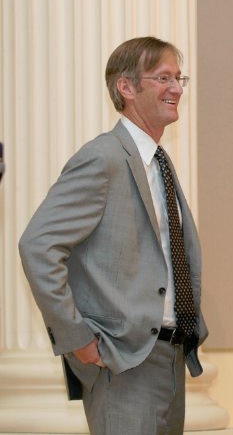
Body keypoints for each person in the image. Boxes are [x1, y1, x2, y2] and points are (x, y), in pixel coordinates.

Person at [19, 36, 207, 434]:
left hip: (170, 357)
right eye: (162, 78)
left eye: (179, 78)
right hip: (124, 362)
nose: (175, 88)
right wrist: (78, 338)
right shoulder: (103, 157)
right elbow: (38, 245)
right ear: (126, 87)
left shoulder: (158, 161)